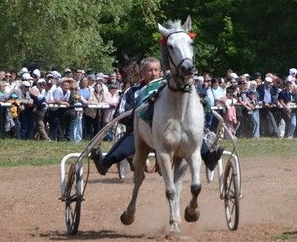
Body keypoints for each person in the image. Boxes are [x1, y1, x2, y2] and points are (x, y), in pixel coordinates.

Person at [89, 57, 223, 175]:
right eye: (149, 70)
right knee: (132, 136)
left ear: (160, 71)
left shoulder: (171, 88)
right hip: (143, 133)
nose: (153, 73)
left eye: (156, 70)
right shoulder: (132, 91)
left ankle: (209, 158)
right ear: (142, 72)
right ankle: (104, 164)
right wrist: (140, 120)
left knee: (192, 133)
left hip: (173, 130)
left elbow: (191, 95)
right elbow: (122, 113)